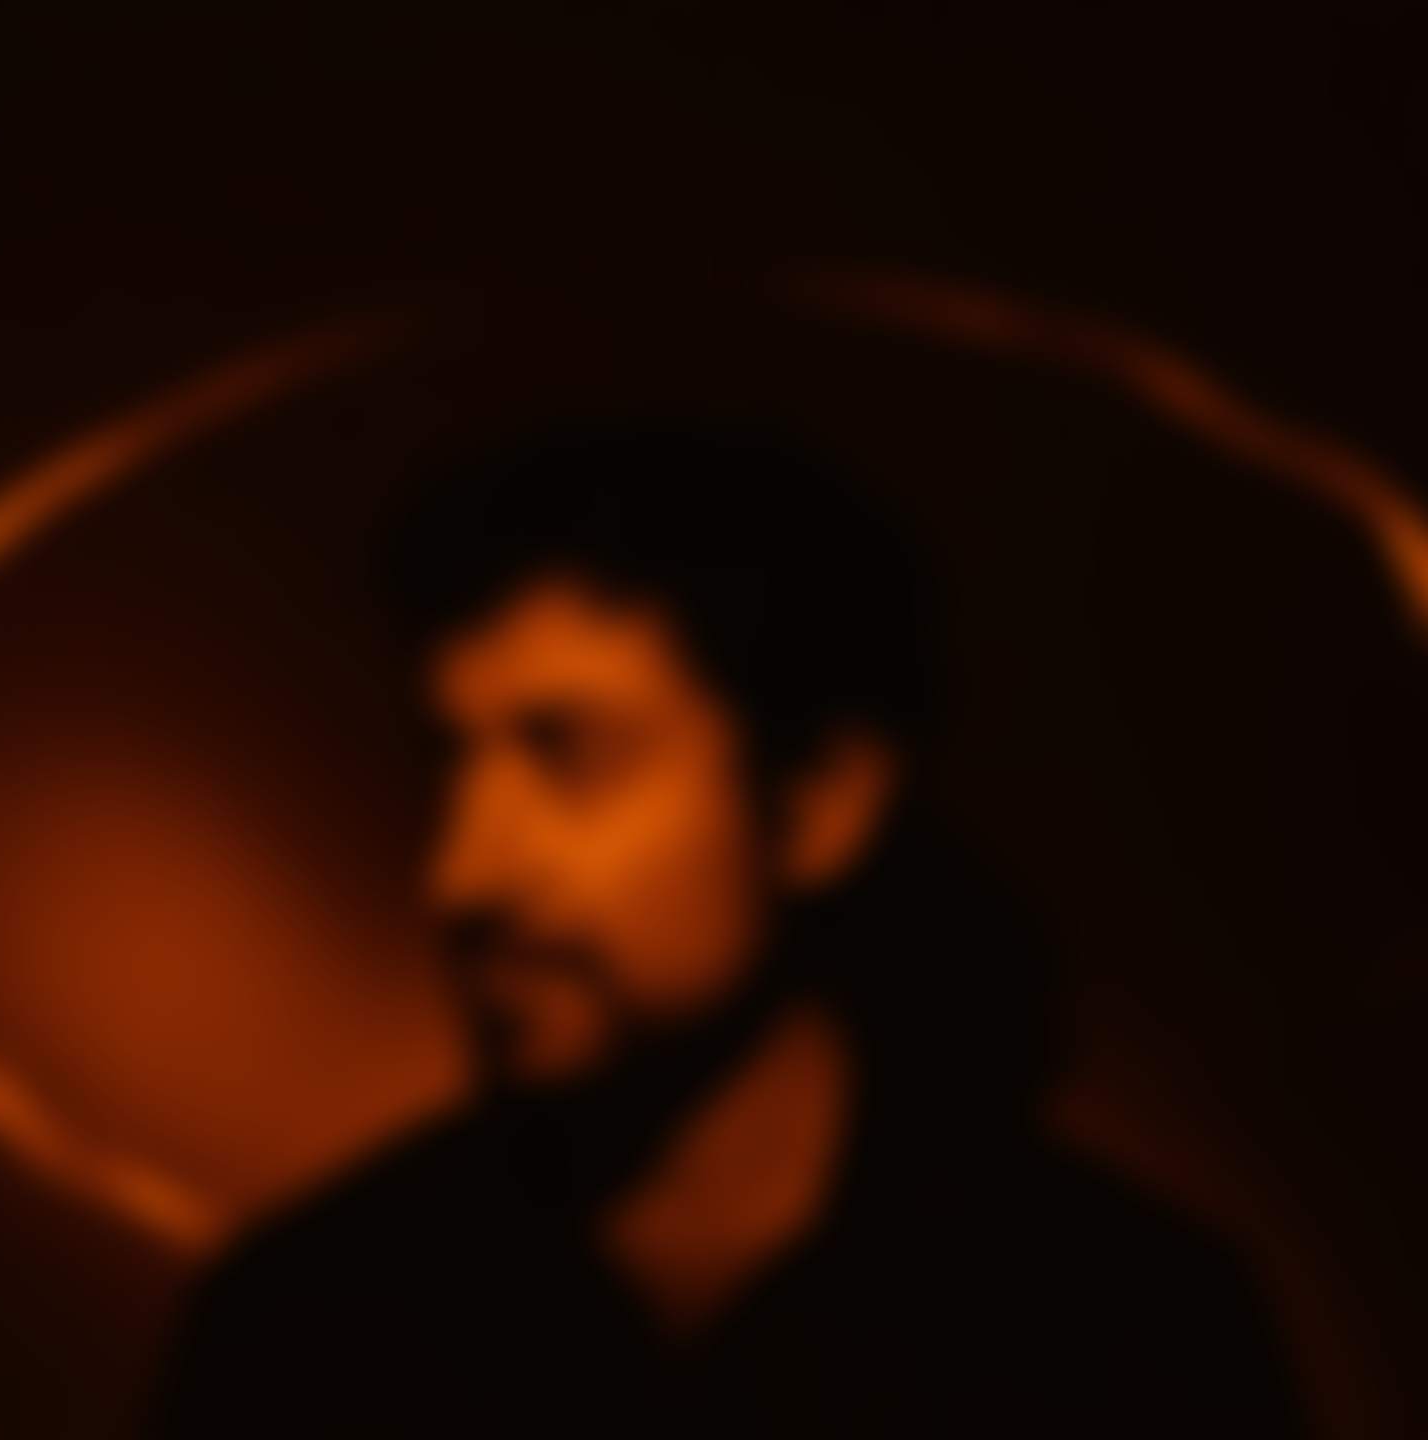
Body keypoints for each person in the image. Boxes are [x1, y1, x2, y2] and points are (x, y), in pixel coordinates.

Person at [140, 420, 1311, 1436]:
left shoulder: (1121, 1335)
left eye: (571, 756)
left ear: (817, 803)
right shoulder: (305, 1331)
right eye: (448, 764)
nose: (461, 874)